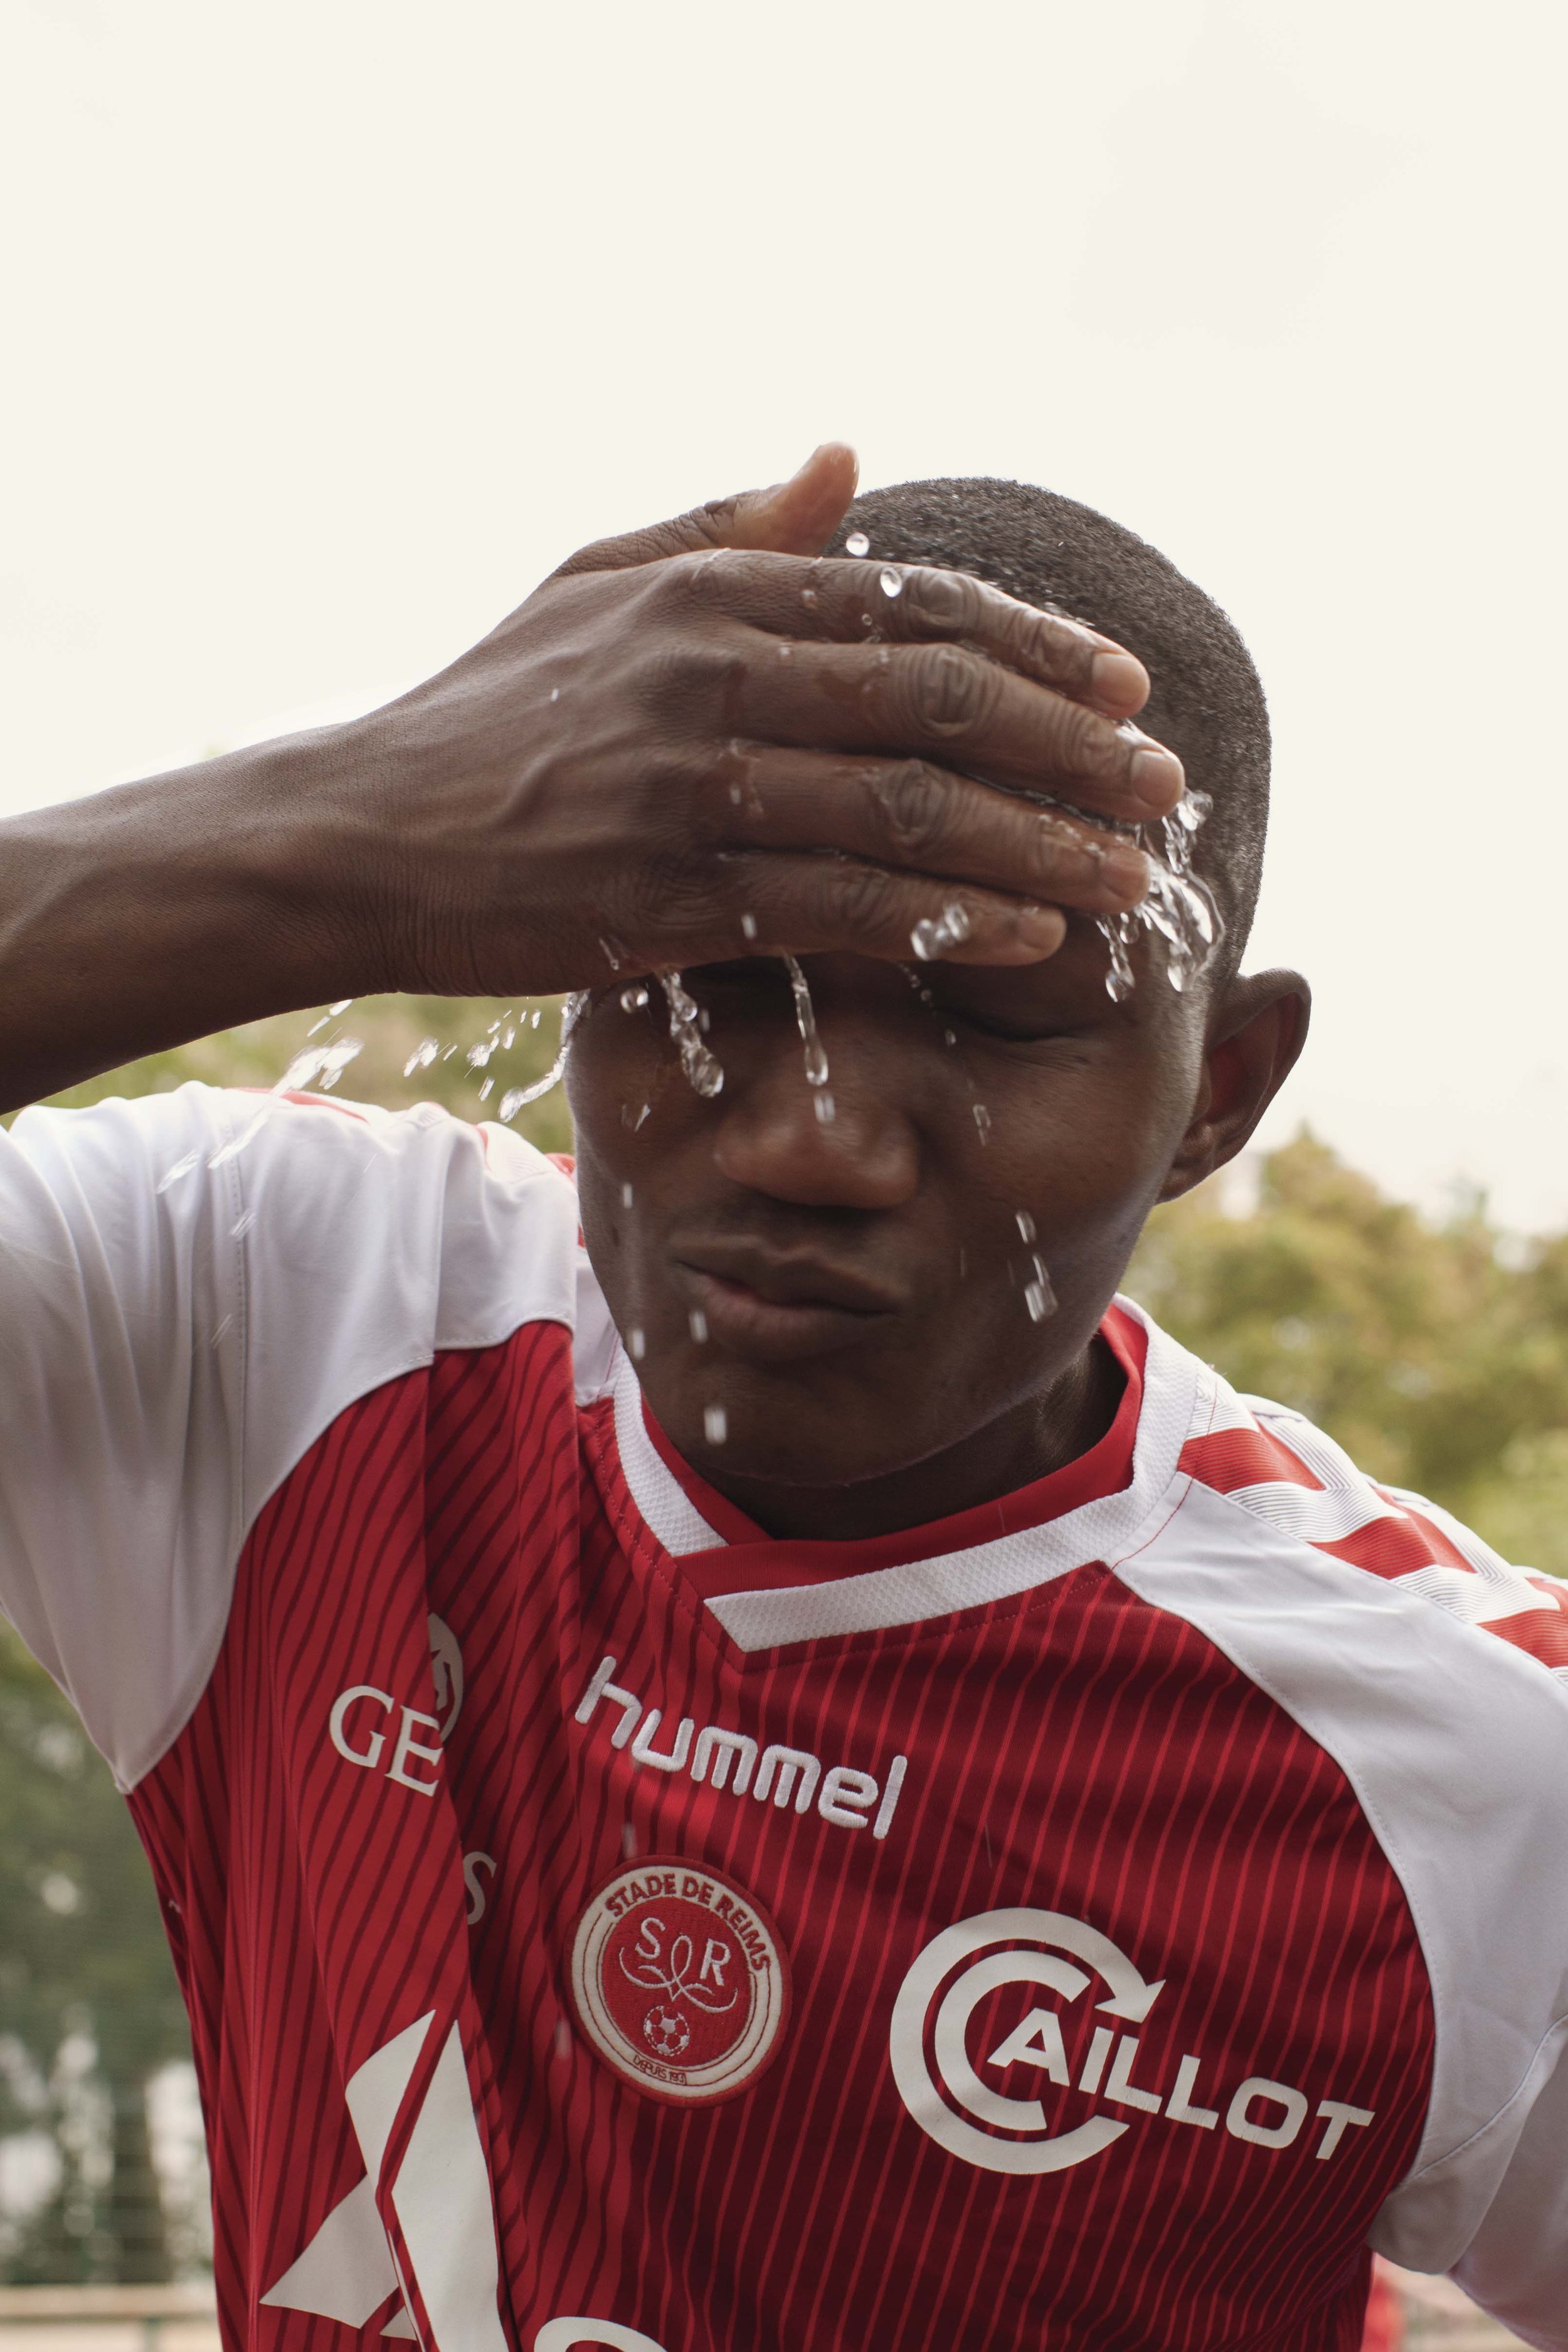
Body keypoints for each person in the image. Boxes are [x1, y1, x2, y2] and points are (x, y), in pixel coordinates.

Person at [0, 445, 1562, 2352]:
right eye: (712, 983)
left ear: (1216, 1092)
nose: (819, 1142)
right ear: (557, 961)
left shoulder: (1477, 1764)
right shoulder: (271, 1315)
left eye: (995, 1025)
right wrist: (342, 830)